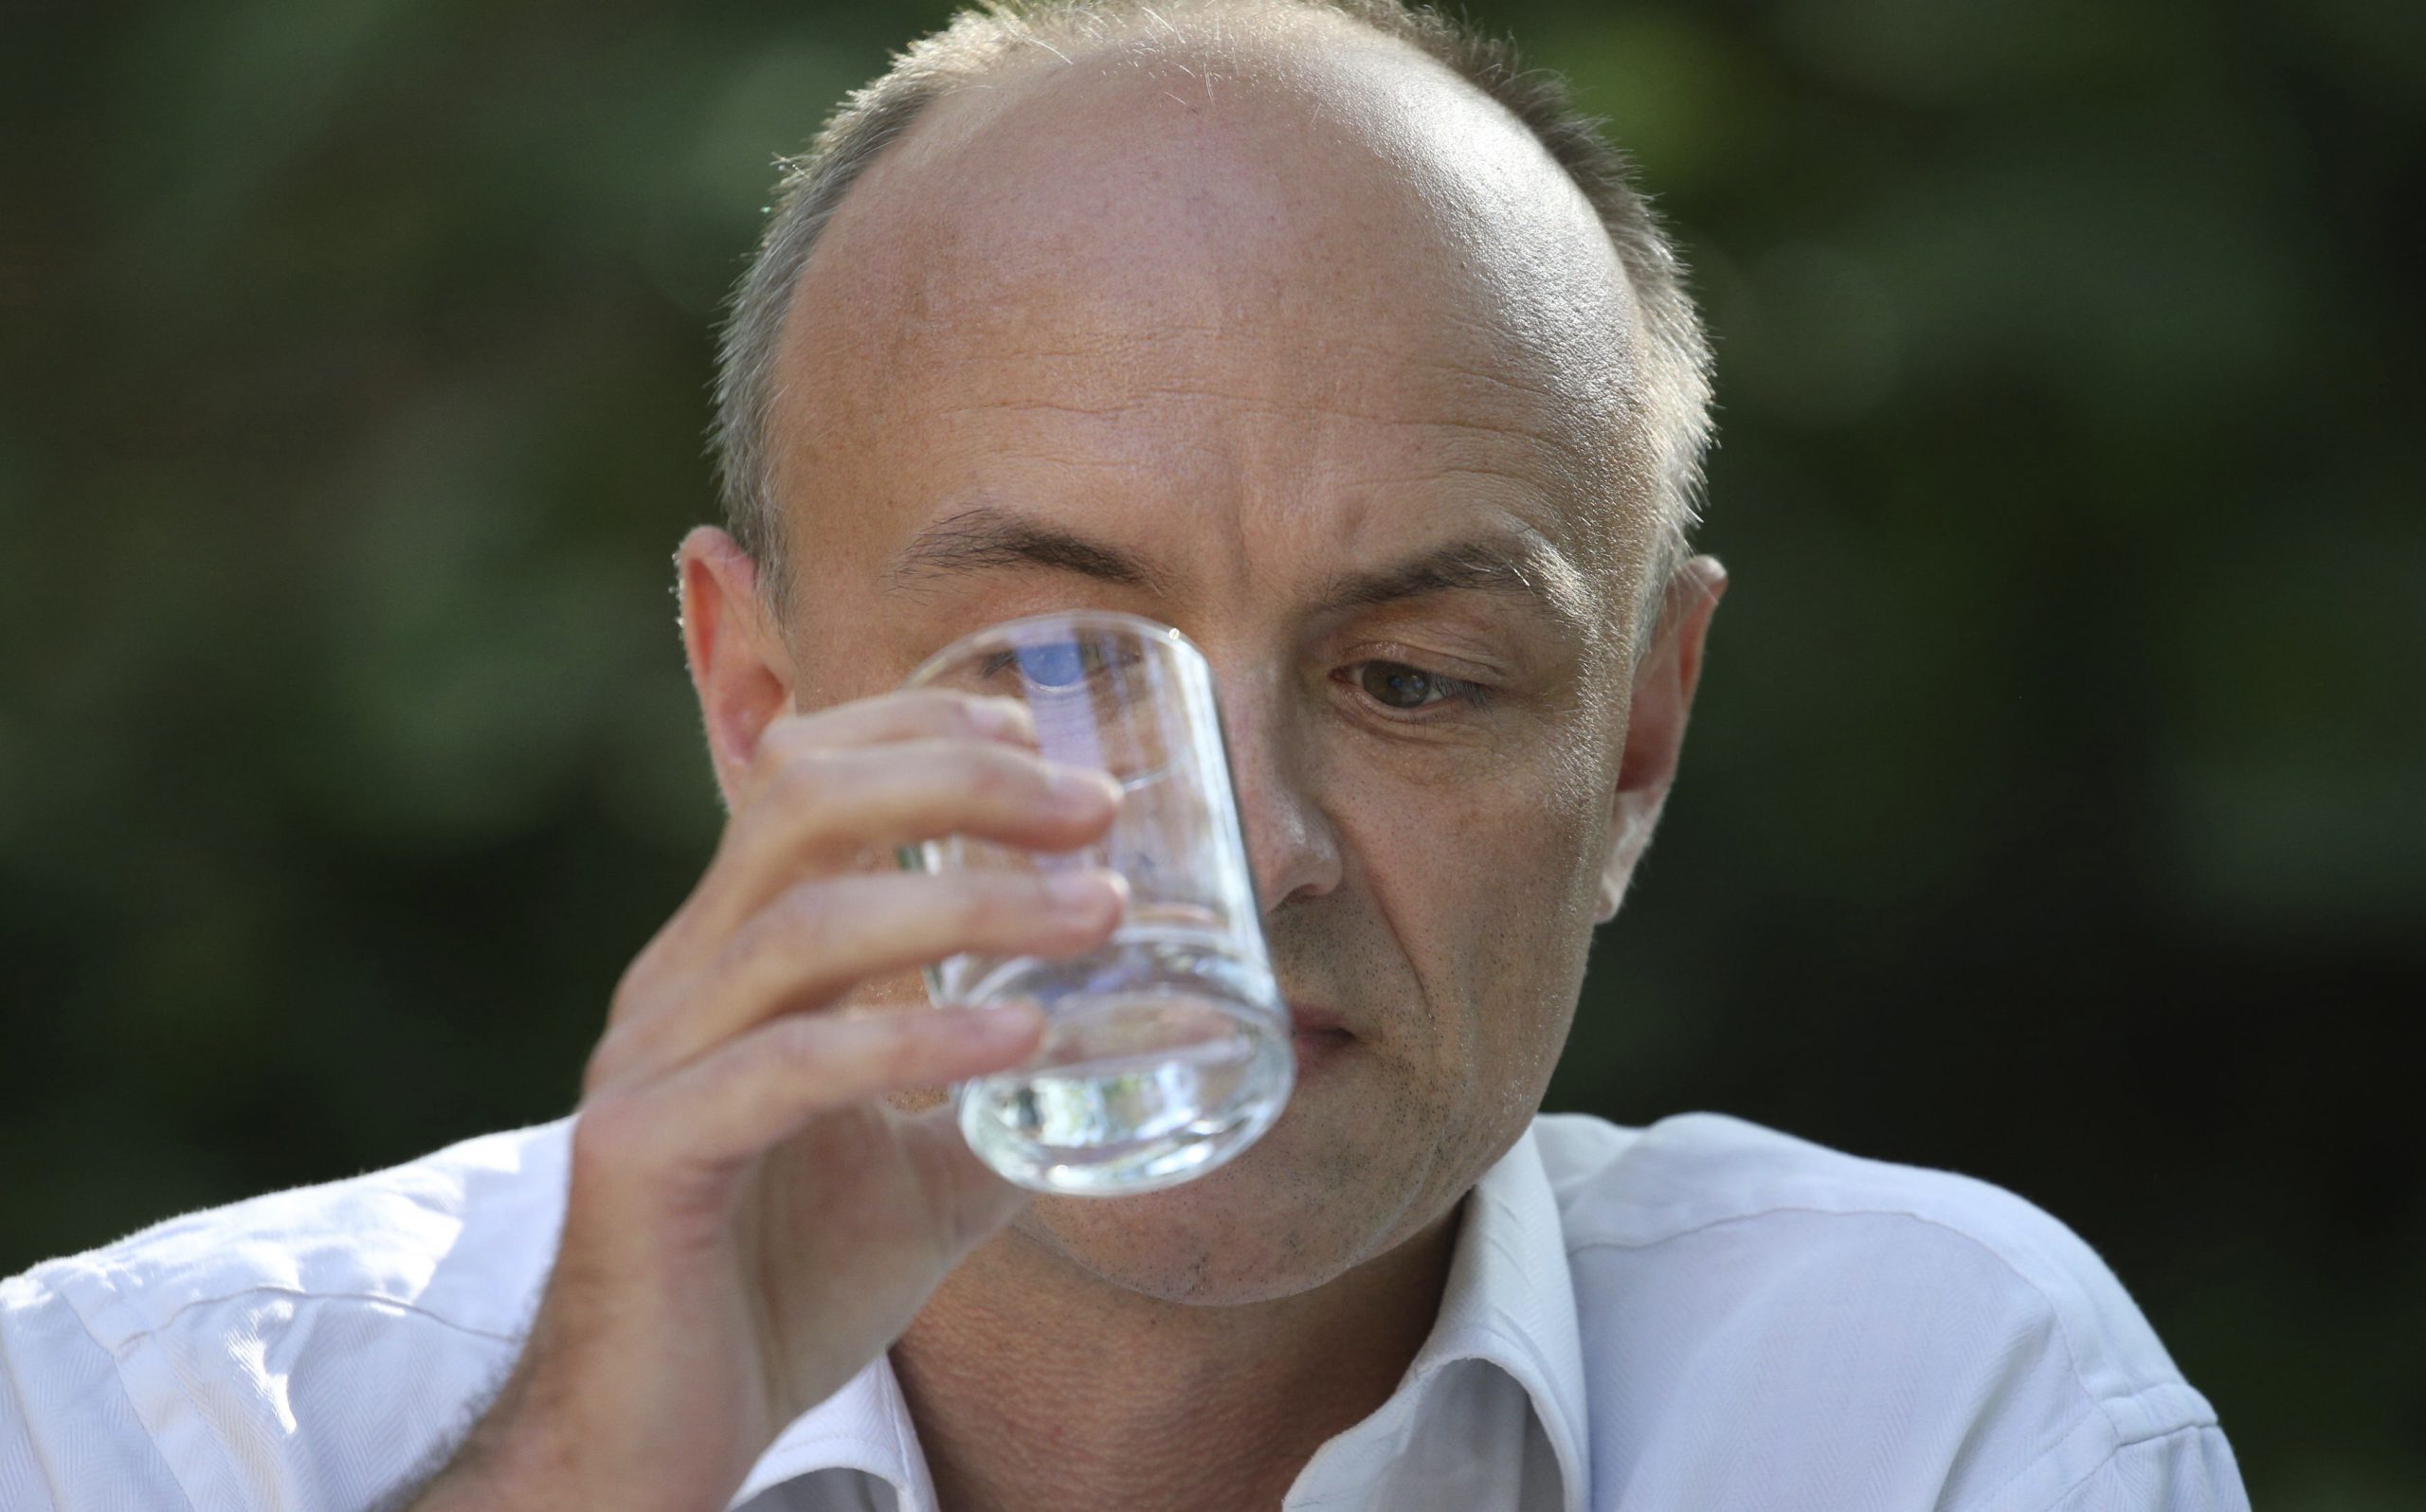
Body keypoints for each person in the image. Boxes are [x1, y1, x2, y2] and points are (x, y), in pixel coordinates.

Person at [0, 2, 2251, 1508]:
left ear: (1636, 745)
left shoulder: (1935, 1419)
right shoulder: (161, 1424)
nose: (1250, 849)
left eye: (1411, 681)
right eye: (1048, 665)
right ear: (755, 702)